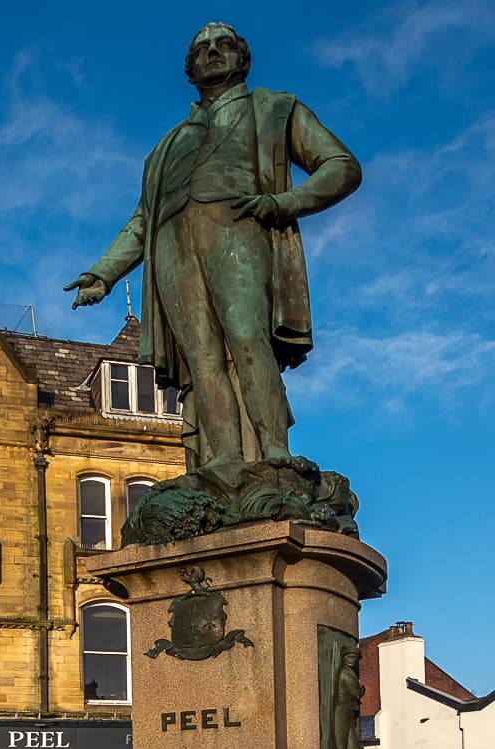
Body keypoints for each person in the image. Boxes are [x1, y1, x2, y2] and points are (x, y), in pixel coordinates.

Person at [65, 22, 361, 470]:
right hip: (171, 247)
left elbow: (341, 166)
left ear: (243, 58)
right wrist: (103, 272)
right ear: (190, 69)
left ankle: (274, 457)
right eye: (201, 49)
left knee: (248, 341)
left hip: (237, 228)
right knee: (200, 360)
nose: (212, 53)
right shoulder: (167, 145)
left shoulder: (276, 109)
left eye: (224, 45)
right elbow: (143, 219)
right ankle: (222, 463)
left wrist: (284, 203)